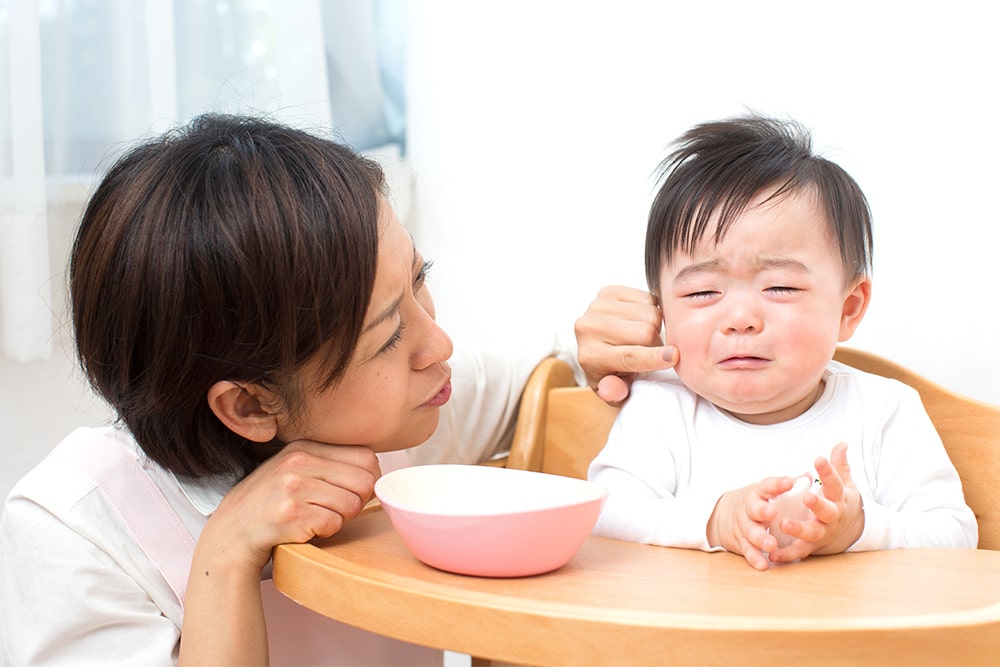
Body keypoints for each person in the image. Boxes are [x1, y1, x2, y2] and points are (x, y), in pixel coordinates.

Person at [0, 113, 673, 665]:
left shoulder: (412, 411)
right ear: (249, 405)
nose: (437, 344)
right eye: (386, 339)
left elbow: (544, 369)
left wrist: (598, 340)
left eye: (419, 278)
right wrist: (227, 554)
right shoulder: (71, 532)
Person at [587, 114, 978, 571]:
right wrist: (715, 521)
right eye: (701, 292)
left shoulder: (885, 410)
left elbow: (954, 534)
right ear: (662, 315)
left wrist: (856, 529)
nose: (740, 319)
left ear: (848, 307)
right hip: (686, 640)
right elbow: (604, 514)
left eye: (780, 287)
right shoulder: (660, 405)